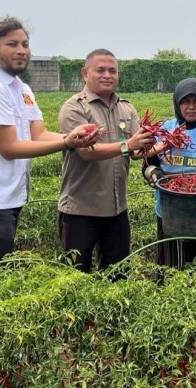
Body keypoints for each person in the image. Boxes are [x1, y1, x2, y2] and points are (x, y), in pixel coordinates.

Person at [0, 17, 99, 269]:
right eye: (12, 44)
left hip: (7, 198)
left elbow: (37, 134)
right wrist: (67, 143)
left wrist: (75, 136)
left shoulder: (21, 89)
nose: (21, 50)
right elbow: (9, 148)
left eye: (25, 44)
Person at [58, 49, 155, 273]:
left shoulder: (126, 108)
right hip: (80, 211)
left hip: (116, 209)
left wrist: (158, 147)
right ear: (85, 73)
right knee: (75, 277)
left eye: (113, 71)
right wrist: (128, 145)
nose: (107, 75)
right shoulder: (75, 108)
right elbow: (86, 151)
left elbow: (136, 150)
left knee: (118, 274)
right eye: (100, 70)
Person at [143, 78, 196, 268]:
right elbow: (148, 165)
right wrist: (155, 174)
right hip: (170, 208)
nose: (192, 107)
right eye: (186, 102)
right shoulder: (164, 131)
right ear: (177, 103)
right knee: (171, 264)